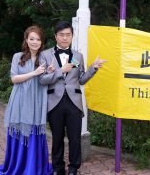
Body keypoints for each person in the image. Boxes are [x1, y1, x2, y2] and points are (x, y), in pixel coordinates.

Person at [39, 21, 106, 175]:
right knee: (57, 137)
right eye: (61, 35)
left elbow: (81, 79)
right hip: (54, 102)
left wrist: (93, 69)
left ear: (72, 36)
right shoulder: (46, 55)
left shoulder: (77, 56)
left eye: (68, 35)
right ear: (55, 36)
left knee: (75, 138)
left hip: (74, 102)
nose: (65, 38)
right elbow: (42, 80)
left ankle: (74, 167)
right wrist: (60, 71)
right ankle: (57, 168)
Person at [0, 26, 53, 174]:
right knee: (20, 130)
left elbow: (47, 80)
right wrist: (34, 73)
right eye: (32, 39)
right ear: (26, 40)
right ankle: (18, 166)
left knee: (35, 132)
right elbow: (14, 79)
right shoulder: (18, 56)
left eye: (38, 39)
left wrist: (49, 72)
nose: (35, 42)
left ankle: (34, 167)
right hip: (20, 100)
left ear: (42, 41)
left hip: (37, 101)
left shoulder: (45, 58)